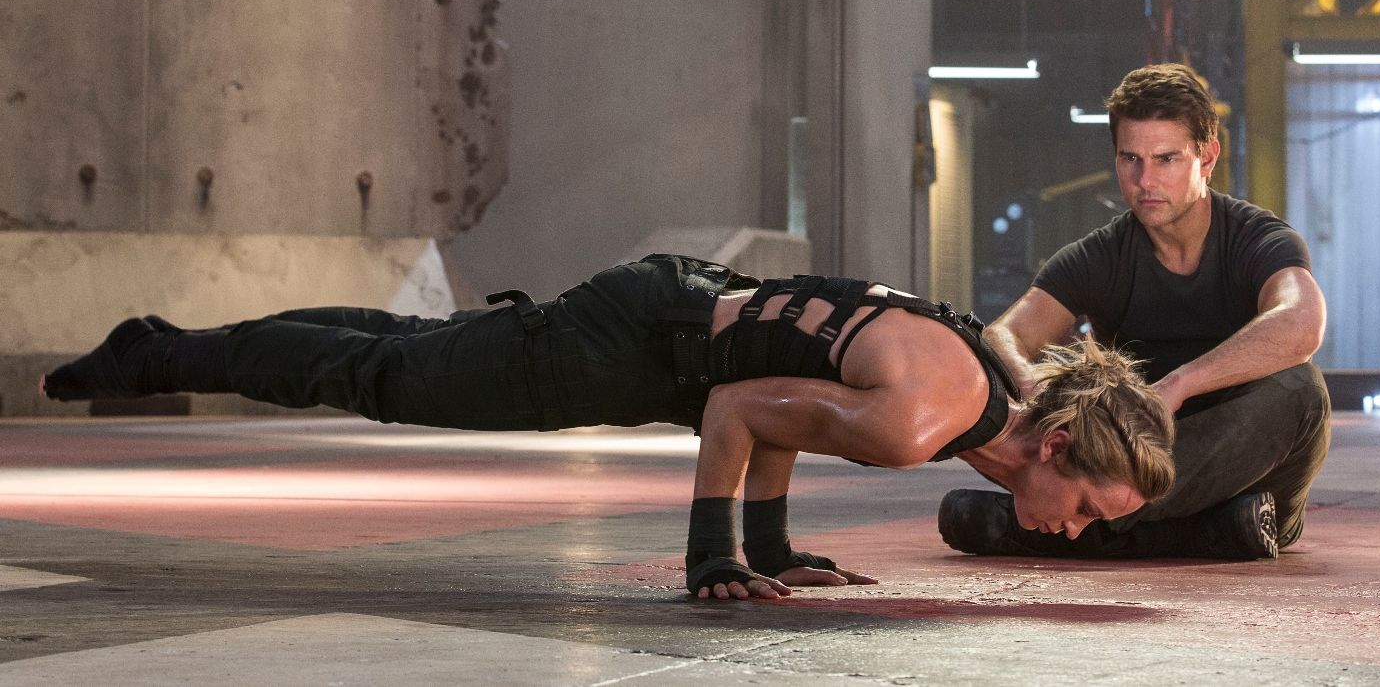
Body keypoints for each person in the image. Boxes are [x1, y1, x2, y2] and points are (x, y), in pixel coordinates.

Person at [42, 254, 1175, 599]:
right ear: (1055, 447)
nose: (1073, 529)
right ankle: (160, 354)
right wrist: (713, 557)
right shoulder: (925, 421)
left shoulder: (968, 394)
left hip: (666, 319)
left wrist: (773, 548)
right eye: (1086, 508)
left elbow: (787, 389)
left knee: (403, 350)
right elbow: (738, 406)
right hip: (632, 343)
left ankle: (167, 342)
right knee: (388, 377)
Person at [940, 63, 1330, 560]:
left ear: (1207, 157)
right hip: (1133, 473)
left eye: (1166, 159)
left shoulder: (1257, 238)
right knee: (998, 392)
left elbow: (1302, 323)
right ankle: (1204, 532)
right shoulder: (1100, 256)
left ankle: (1057, 524)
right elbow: (1003, 336)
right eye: (1131, 159)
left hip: (1250, 475)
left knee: (1302, 390)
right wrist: (1033, 387)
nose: (1145, 180)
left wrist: (1178, 386)